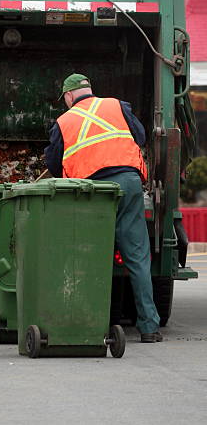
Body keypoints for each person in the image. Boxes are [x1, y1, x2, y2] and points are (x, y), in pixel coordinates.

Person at [45, 73, 162, 343]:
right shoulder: (117, 105)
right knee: (137, 258)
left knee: (89, 258)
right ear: (89, 91)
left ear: (69, 96)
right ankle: (149, 328)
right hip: (129, 184)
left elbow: (53, 163)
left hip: (93, 194)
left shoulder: (64, 121)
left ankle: (92, 324)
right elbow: (141, 137)